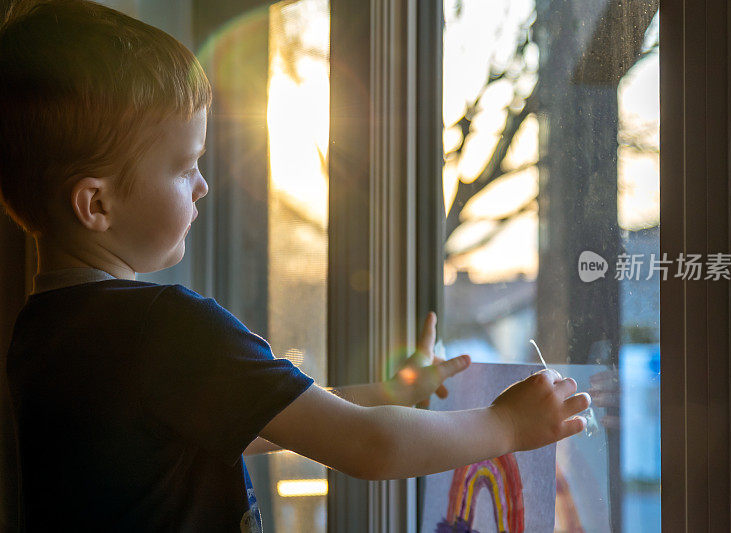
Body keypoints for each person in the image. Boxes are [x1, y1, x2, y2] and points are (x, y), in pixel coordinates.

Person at [0, 1, 591, 531]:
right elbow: (369, 447)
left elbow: (243, 419)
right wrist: (507, 426)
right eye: (184, 167)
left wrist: (387, 391)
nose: (203, 185)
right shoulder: (167, 326)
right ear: (95, 203)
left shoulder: (44, 333)